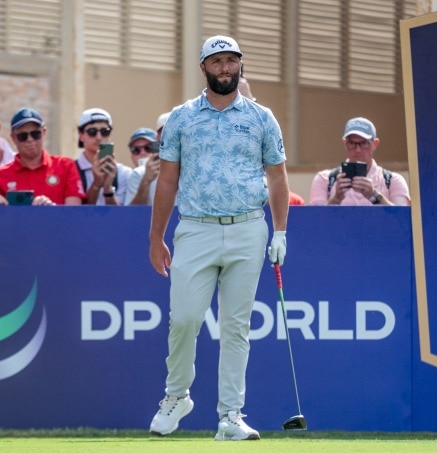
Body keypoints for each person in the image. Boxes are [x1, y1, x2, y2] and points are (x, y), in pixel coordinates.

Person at [148, 35, 290, 441]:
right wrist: (156, 237)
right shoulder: (181, 117)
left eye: (232, 61)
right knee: (185, 319)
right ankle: (177, 396)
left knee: (235, 327)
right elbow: (168, 180)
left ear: (240, 65)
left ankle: (230, 415)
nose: (225, 68)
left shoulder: (262, 118)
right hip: (195, 228)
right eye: (217, 62)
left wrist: (280, 230)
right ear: (203, 68)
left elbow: (277, 176)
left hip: (248, 226)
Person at [309, 117, 410, 206]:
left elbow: (401, 219)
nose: (357, 150)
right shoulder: (325, 179)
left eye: (364, 143)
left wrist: (374, 196)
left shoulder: (392, 180)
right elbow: (314, 222)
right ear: (345, 144)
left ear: (375, 144)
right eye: (352, 143)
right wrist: (336, 199)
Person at [0, 107, 85, 205]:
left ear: (44, 132)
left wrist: (50, 209)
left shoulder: (65, 166)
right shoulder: (2, 174)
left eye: (35, 134)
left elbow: (74, 212)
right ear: (14, 138)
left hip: (56, 220)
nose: (30, 139)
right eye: (23, 136)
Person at [73, 108, 132, 205]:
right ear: (81, 136)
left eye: (105, 131)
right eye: (92, 131)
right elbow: (77, 213)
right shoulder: (70, 171)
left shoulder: (124, 173)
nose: (99, 137)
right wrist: (96, 184)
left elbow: (121, 216)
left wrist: (108, 188)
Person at [124, 127, 161, 205]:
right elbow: (132, 214)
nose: (142, 153)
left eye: (148, 148)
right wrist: (145, 181)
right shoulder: (129, 176)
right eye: (136, 150)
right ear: (132, 157)